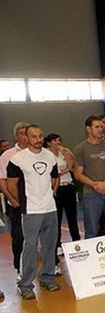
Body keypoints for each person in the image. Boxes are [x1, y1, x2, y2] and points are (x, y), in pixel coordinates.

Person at [7, 125, 60, 300]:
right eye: (33, 136)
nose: (37, 139)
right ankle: (26, 285)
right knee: (29, 247)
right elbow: (11, 185)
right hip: (31, 211)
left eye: (40, 135)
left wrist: (49, 194)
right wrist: (24, 203)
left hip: (50, 209)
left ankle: (47, 278)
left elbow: (54, 177)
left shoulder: (50, 156)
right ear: (26, 139)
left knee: (49, 245)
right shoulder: (17, 160)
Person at [73, 116, 105, 239]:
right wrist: (95, 185)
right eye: (97, 127)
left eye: (102, 126)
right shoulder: (81, 149)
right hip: (91, 194)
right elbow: (78, 174)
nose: (101, 129)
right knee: (92, 230)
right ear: (88, 129)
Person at [45, 133, 81, 273]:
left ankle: (76, 240)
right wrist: (60, 173)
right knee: (57, 218)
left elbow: (71, 168)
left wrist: (66, 153)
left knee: (72, 216)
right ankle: (57, 244)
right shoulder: (47, 155)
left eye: (59, 140)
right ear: (48, 143)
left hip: (68, 186)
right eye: (54, 140)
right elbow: (54, 173)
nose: (57, 142)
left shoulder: (63, 152)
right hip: (56, 189)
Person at [0, 122, 29, 278]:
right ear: (17, 135)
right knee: (18, 236)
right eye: (23, 133)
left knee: (41, 236)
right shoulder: (7, 155)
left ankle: (49, 266)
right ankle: (20, 269)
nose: (26, 136)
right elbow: (2, 181)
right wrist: (13, 200)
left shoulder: (40, 152)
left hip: (37, 204)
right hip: (17, 204)